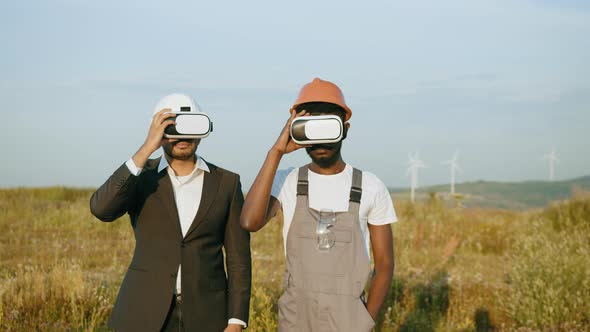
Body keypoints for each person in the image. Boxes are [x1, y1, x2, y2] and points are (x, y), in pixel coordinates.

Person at [240, 78, 397, 331]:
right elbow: (249, 221)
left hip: (350, 321)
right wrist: (276, 152)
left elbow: (385, 265)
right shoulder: (288, 181)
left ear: (345, 129)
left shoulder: (370, 186)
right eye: (312, 127)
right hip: (296, 318)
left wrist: (366, 320)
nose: (321, 140)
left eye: (329, 126)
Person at [90, 94, 251, 332]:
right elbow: (101, 209)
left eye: (190, 126)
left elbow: (238, 258)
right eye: (173, 126)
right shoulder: (141, 177)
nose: (182, 136)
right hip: (143, 312)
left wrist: (236, 320)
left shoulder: (227, 183)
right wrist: (146, 148)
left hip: (208, 315)